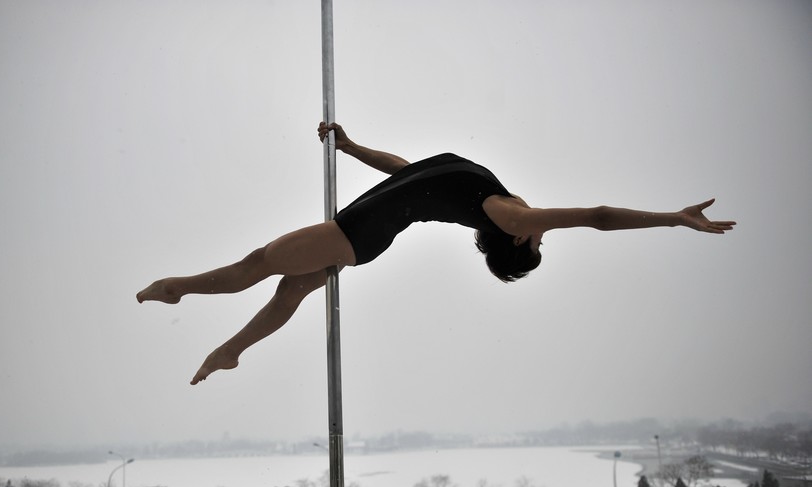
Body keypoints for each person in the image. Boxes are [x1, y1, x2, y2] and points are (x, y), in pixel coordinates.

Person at [137, 122, 735, 385]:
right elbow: (409, 170)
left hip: (356, 231)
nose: (542, 229)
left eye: (539, 240)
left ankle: (178, 287)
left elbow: (599, 218)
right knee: (288, 290)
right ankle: (231, 351)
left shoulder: (510, 215)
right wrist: (350, 147)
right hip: (366, 234)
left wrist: (673, 219)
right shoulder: (489, 192)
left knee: (256, 264)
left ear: (517, 241)